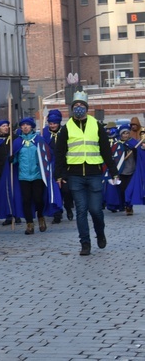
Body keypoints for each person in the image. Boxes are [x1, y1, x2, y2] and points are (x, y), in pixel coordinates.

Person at [55, 91, 119, 256]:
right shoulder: (66, 127)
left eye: (81, 106)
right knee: (81, 210)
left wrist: (114, 172)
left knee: (96, 209)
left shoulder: (96, 125)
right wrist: (59, 175)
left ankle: (100, 232)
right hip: (74, 175)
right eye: (75, 106)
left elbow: (105, 150)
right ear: (71, 108)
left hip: (94, 173)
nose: (78, 108)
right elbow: (60, 153)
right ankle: (85, 243)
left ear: (86, 108)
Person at [14, 117, 48, 235]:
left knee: (38, 199)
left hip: (37, 175)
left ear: (32, 127)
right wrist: (11, 158)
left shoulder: (38, 139)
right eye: (23, 125)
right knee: (26, 200)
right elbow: (15, 159)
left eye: (27, 125)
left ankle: (41, 217)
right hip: (23, 176)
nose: (25, 127)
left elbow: (46, 156)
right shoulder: (17, 142)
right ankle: (29, 224)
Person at [43, 109, 73, 224]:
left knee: (66, 190)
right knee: (54, 190)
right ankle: (57, 213)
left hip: (65, 165)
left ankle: (69, 206)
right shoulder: (44, 133)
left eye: (55, 123)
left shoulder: (65, 131)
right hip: (51, 166)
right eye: (50, 123)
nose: (52, 125)